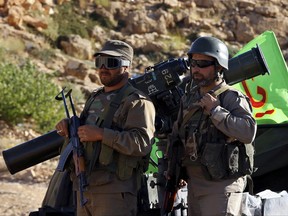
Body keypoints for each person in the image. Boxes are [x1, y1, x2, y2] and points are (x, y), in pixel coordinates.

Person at [55, 39, 156, 216]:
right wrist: (69, 127)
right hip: (85, 185)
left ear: (126, 66)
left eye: (110, 63)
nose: (103, 68)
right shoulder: (95, 97)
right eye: (99, 62)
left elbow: (141, 143)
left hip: (114, 191)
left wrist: (102, 135)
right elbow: (84, 134)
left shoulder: (137, 102)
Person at [166, 36, 257, 216]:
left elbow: (248, 131)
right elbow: (177, 136)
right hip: (193, 183)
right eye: (193, 63)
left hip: (221, 185)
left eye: (203, 63)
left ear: (219, 67)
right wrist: (174, 171)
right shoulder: (189, 98)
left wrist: (216, 111)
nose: (196, 69)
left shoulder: (231, 97)